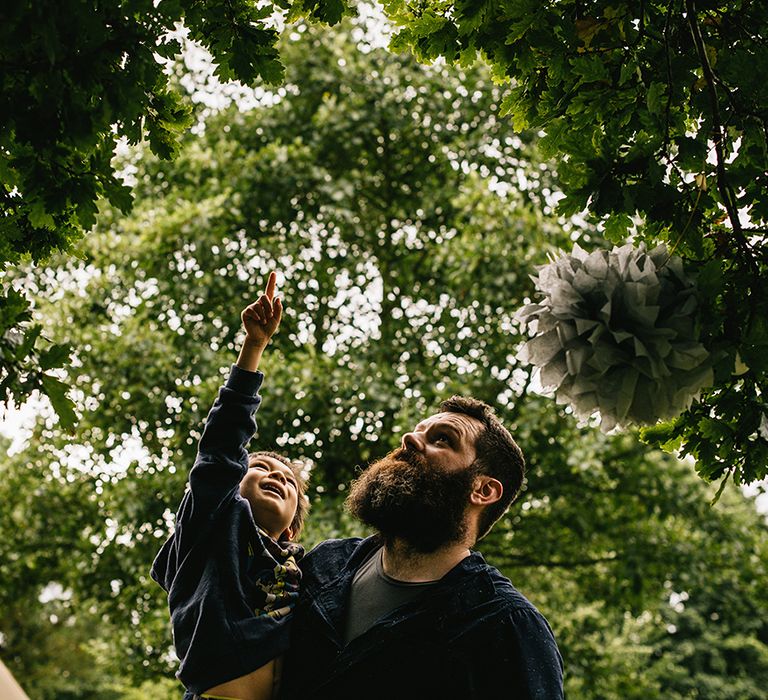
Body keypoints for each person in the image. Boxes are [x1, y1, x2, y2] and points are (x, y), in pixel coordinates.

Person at [279, 395, 564, 698]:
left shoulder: (507, 627)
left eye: (442, 440)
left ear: (483, 489)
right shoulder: (324, 563)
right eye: (416, 430)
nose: (409, 439)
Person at [151, 272, 309, 700]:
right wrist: (253, 347)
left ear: (293, 527)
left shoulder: (304, 574)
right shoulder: (213, 525)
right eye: (259, 467)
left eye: (289, 482)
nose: (278, 475)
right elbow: (220, 450)